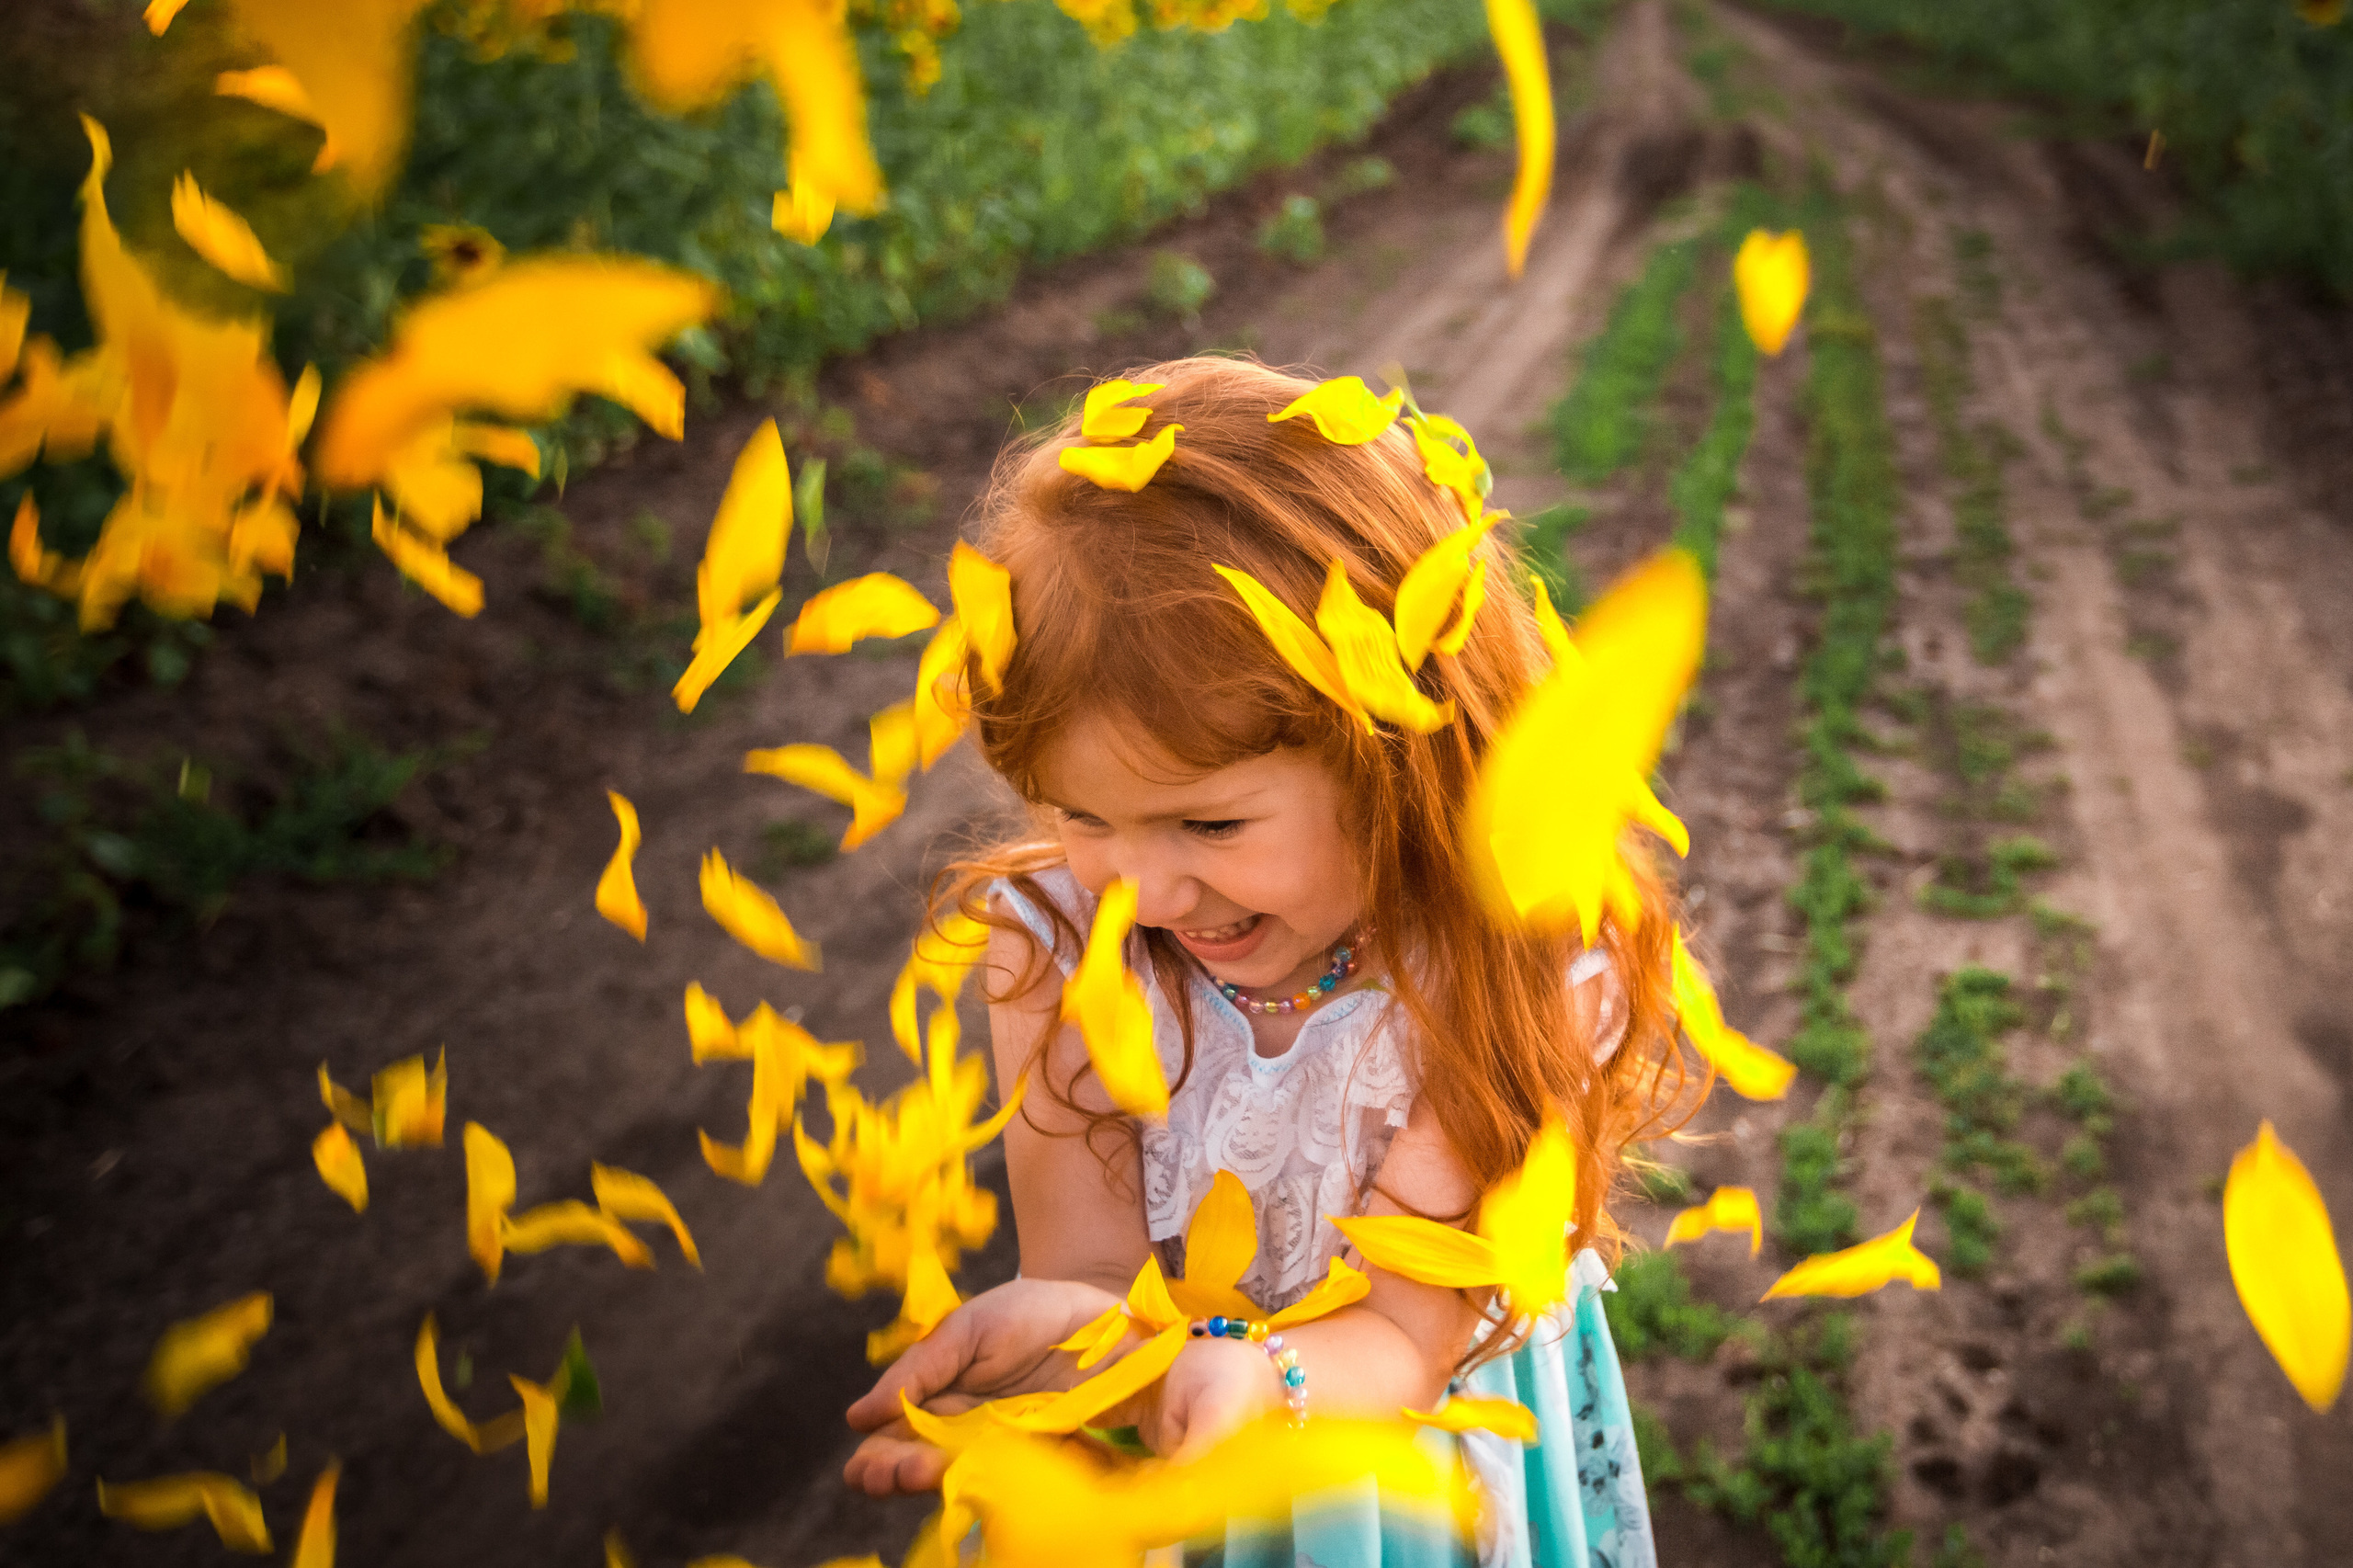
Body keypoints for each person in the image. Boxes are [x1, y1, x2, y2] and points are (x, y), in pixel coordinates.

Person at [841, 356, 1695, 1568]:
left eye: (1210, 825)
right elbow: (1092, 1273)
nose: (1134, 883)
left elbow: (1403, 1337)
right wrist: (1076, 1353)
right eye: (1081, 815)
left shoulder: (1507, 966)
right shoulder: (1053, 943)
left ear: (1401, 757)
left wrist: (1260, 1381)